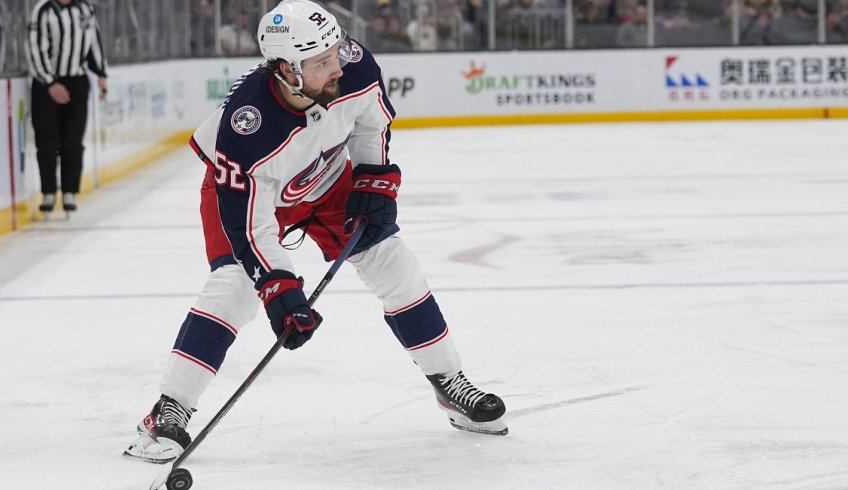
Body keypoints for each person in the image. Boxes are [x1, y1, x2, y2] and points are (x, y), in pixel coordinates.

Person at [123, 0, 507, 464]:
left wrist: (373, 175)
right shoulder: (246, 129)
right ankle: (169, 410)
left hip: (325, 179)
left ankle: (449, 382)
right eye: (323, 62)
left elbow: (373, 121)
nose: (338, 66)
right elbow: (252, 227)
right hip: (252, 200)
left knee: (392, 261)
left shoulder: (352, 65)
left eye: (337, 51)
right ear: (287, 69)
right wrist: (278, 287)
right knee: (235, 287)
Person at [26, 0, 108, 214]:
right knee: (47, 141)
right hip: (46, 85)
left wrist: (101, 73)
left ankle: (70, 191)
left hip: (77, 82)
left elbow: (94, 42)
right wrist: (50, 82)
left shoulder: (84, 9)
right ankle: (49, 192)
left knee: (73, 140)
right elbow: (35, 48)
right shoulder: (43, 10)